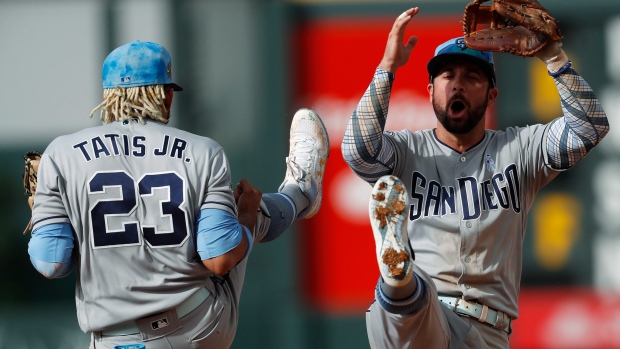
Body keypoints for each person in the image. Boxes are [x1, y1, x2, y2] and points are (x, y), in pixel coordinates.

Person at [26, 40, 329, 349]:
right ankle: (300, 191)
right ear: (166, 96)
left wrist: (55, 217)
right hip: (196, 327)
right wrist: (247, 216)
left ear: (106, 97)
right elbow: (221, 258)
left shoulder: (61, 155)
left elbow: (52, 264)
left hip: (110, 340)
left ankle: (298, 193)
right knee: (234, 214)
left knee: (214, 220)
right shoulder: (201, 150)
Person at [341, 7, 609, 349]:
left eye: (472, 77)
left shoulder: (520, 150)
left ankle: (398, 285)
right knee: (411, 307)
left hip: (486, 334)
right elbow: (358, 150)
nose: (457, 84)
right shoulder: (407, 151)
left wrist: (554, 58)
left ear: (491, 95)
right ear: (431, 90)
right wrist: (386, 68)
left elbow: (590, 128)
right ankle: (398, 280)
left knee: (408, 306)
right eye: (447, 75)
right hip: (422, 315)